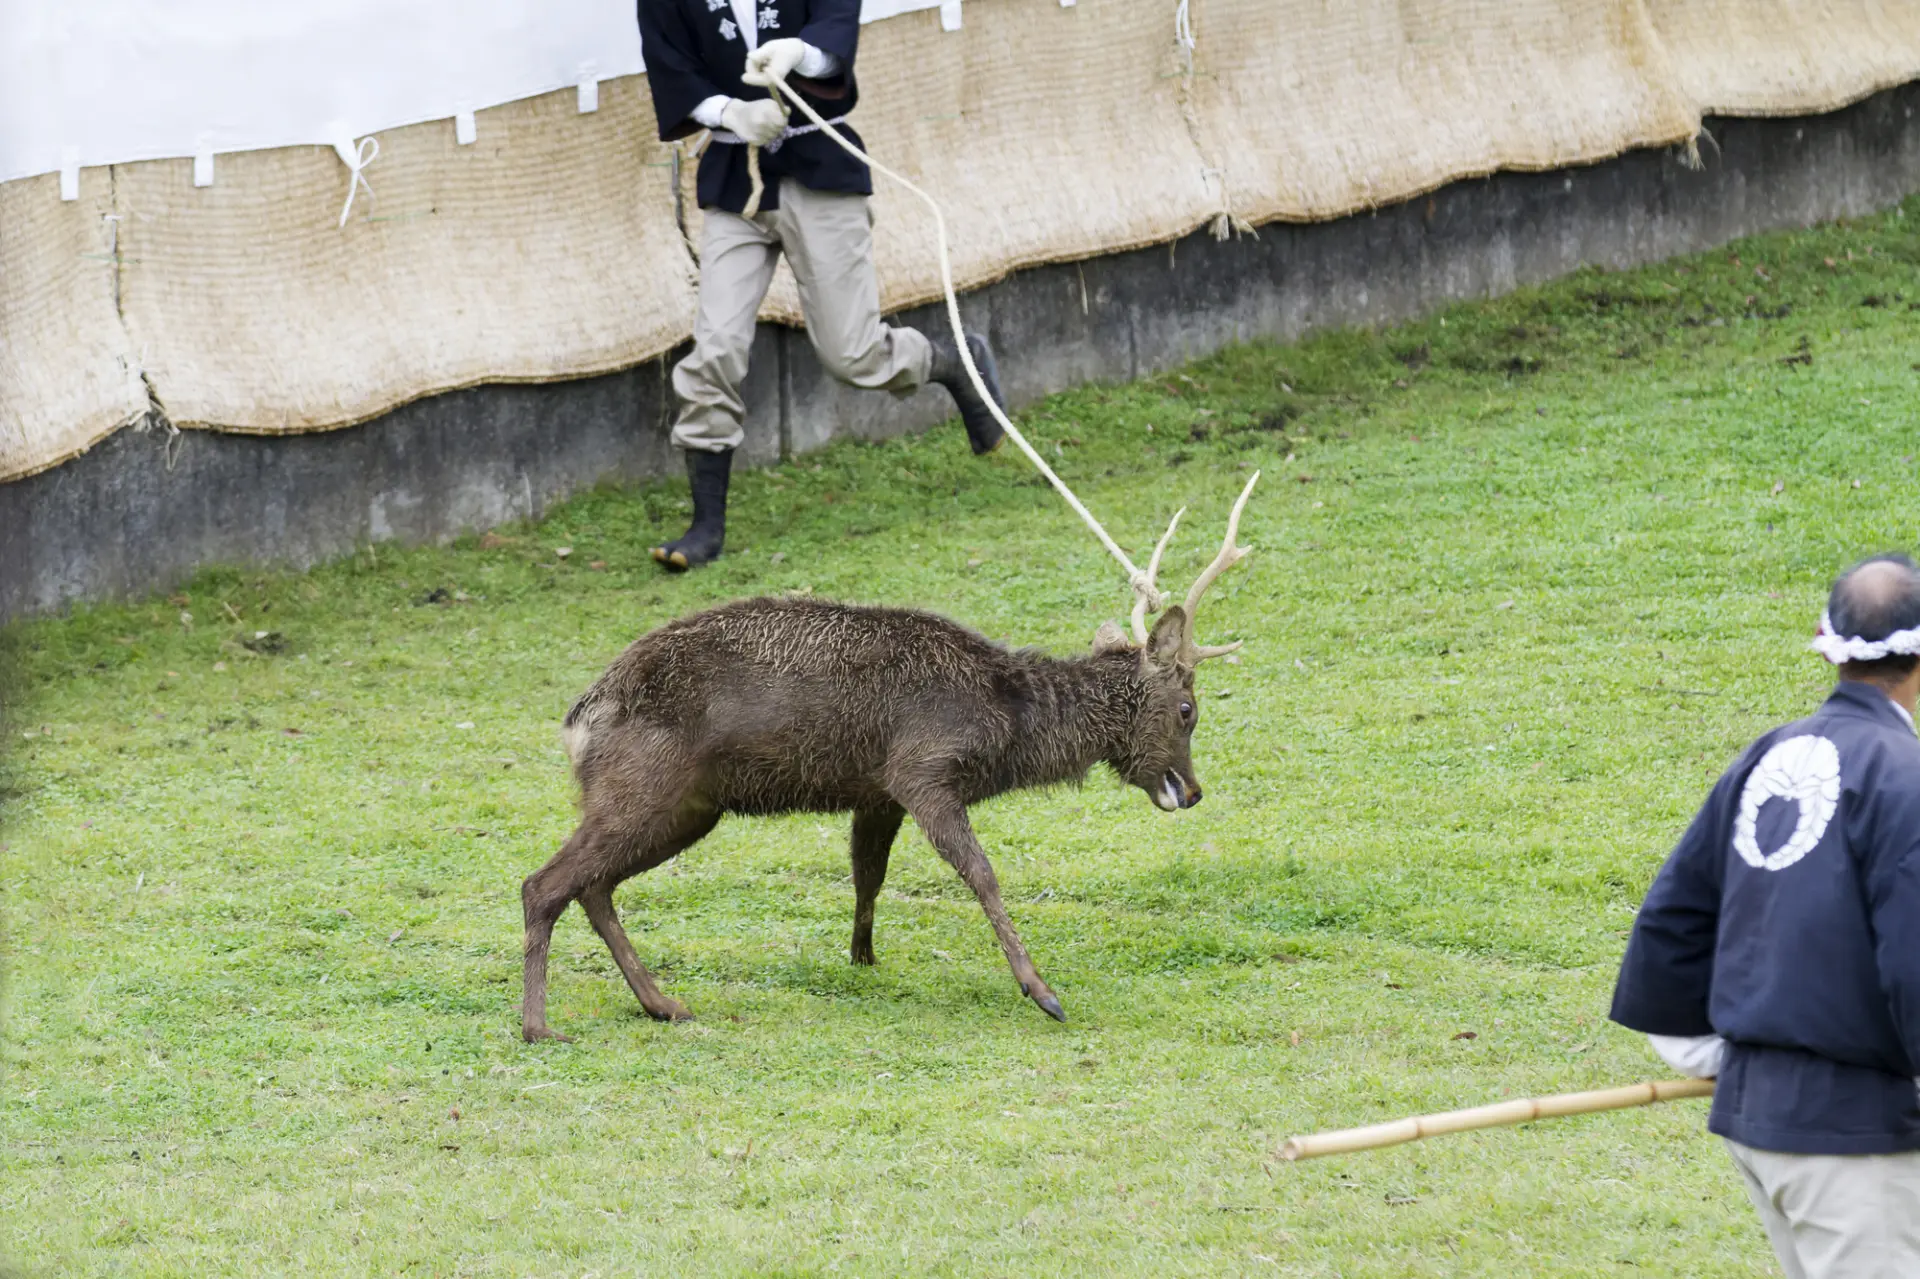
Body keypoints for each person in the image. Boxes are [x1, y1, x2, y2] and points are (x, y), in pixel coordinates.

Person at [1610, 553, 1920, 1278]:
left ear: (1831, 644)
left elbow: (1672, 918)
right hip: (1853, 1139)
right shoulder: (1906, 779)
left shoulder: (1767, 754)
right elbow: (1914, 955)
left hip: (1760, 1123)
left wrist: (1719, 1057)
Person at [635, 0, 1007, 570]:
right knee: (715, 347)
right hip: (735, 181)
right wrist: (730, 112)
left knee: (852, 354)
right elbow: (672, 69)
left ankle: (952, 361)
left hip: (820, 166)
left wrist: (800, 53)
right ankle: (705, 524)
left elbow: (834, 26)